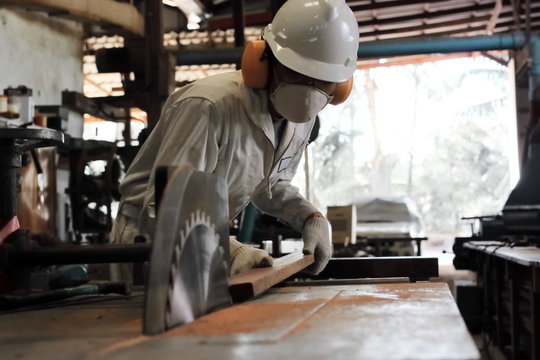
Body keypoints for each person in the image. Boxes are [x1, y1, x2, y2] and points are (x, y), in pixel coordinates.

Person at [110, 0, 359, 279]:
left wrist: (310, 217)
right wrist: (231, 251)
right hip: (148, 245)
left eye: (321, 80)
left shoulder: (304, 118)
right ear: (263, 59)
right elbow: (164, 207)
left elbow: (270, 185)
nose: (307, 91)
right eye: (296, 73)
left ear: (340, 86)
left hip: (206, 241)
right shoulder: (207, 106)